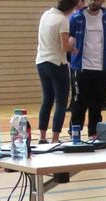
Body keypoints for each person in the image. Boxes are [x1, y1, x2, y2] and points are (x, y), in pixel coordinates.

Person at [69, 0, 106, 140]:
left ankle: (94, 133)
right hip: (81, 67)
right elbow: (70, 37)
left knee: (97, 102)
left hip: (100, 67)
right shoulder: (76, 18)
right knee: (79, 102)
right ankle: (75, 132)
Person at [36, 0, 80, 144]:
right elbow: (64, 47)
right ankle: (55, 138)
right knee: (61, 102)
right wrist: (72, 45)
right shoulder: (62, 20)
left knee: (47, 100)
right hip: (56, 63)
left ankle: (42, 137)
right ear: (71, 7)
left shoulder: (46, 15)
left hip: (41, 61)